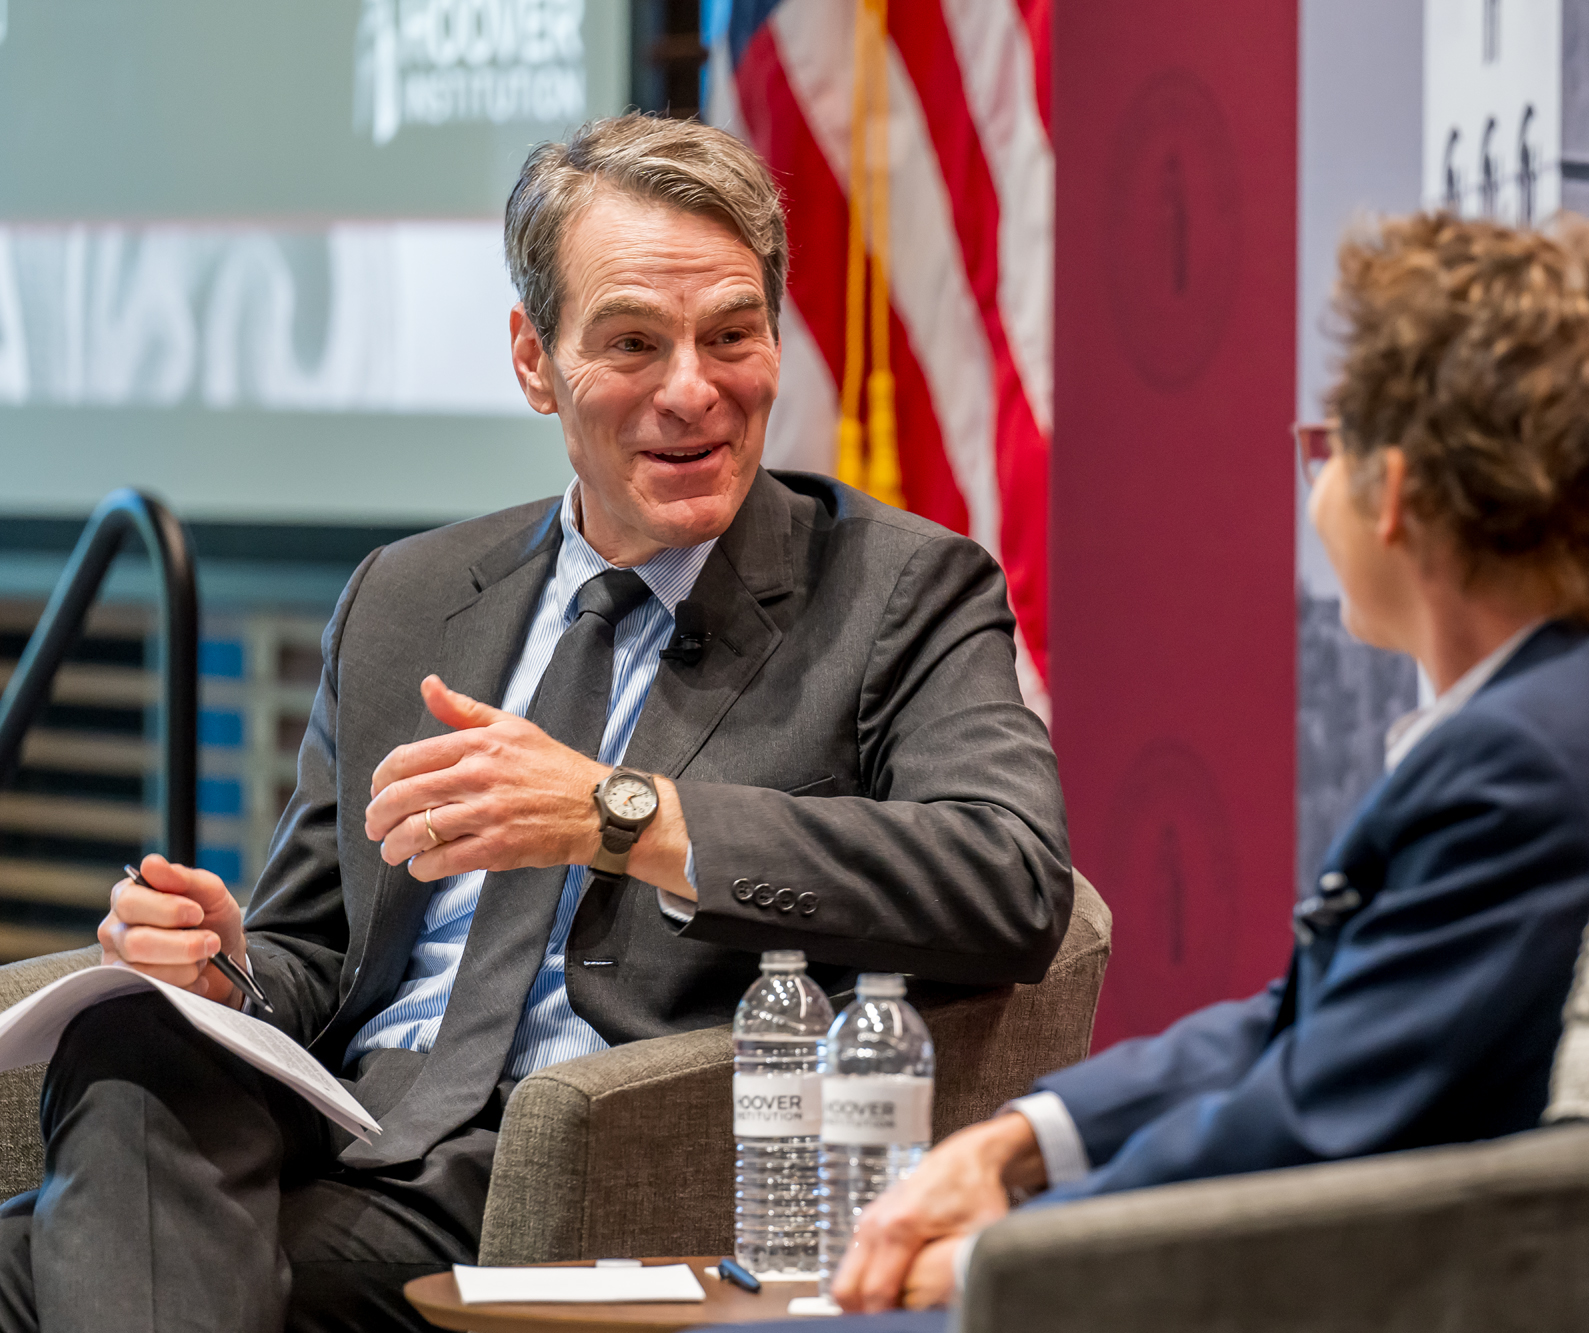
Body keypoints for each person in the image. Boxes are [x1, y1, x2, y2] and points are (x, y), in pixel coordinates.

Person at [0, 115, 1070, 1333]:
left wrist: (625, 816)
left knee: (42, 1274)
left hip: (562, 1157)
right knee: (135, 1036)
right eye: (631, 341)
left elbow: (1012, 880)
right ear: (532, 359)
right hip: (341, 1122)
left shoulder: (895, 592)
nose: (691, 389)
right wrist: (219, 972)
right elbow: (316, 953)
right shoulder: (408, 595)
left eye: (731, 335)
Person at [816, 210, 1589, 1324]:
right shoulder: (1579, 705)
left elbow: (1315, 1121)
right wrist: (1021, 1141)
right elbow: (1303, 1020)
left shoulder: (1517, 769)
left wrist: (1014, 1254)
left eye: (1321, 447)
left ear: (1392, 492)